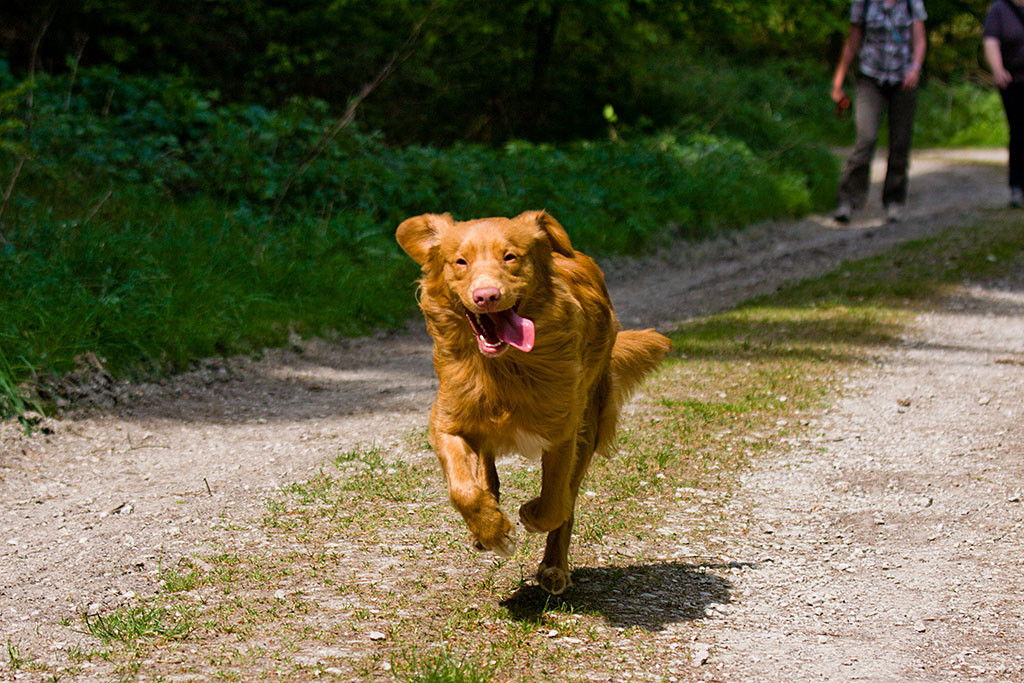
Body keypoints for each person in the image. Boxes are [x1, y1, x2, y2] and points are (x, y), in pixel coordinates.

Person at [830, 0, 928, 224]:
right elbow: (853, 39)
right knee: (865, 138)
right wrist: (838, 80)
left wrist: (915, 68)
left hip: (904, 80)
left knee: (900, 142)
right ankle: (847, 200)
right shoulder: (863, 3)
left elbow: (920, 38)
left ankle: (894, 201)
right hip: (870, 77)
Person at [983, 0, 1024, 208]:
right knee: (1018, 132)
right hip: (1013, 81)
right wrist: (998, 70)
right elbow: (990, 40)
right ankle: (1017, 186)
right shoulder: (999, 9)